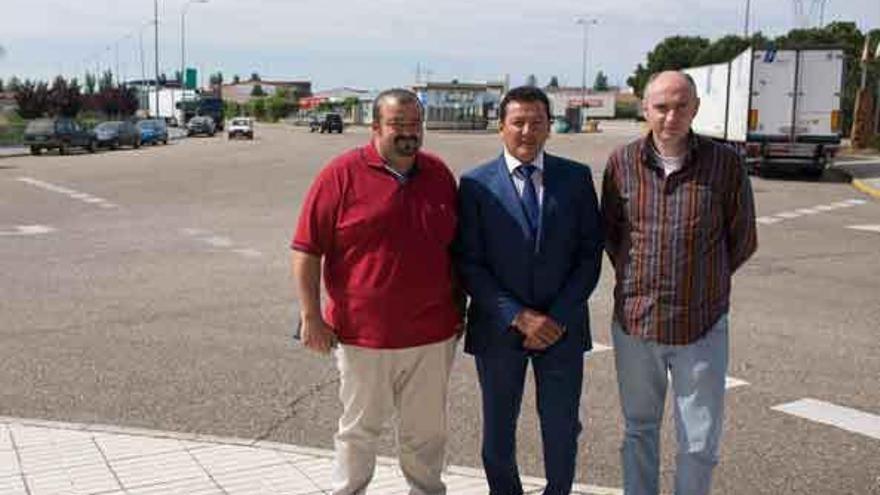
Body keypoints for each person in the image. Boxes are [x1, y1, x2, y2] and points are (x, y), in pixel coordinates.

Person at [290, 88, 461, 495]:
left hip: (432, 336)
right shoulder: (341, 175)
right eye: (397, 124)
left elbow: (457, 249)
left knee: (426, 433)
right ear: (375, 127)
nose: (408, 133)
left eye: (414, 124)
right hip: (363, 336)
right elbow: (305, 249)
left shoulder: (438, 175)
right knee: (359, 432)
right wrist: (311, 317)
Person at [601, 71, 757, 495]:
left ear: (696, 108)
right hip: (636, 325)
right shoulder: (621, 164)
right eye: (661, 107)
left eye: (681, 106)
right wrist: (642, 284)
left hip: (701, 325)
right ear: (645, 109)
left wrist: (698, 282)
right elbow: (613, 237)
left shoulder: (725, 164)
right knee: (639, 431)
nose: (671, 117)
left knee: (700, 442)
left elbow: (742, 240)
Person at [455, 86, 604, 495]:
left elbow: (590, 255)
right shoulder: (474, 185)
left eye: (537, 122)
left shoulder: (575, 178)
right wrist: (518, 316)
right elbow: (469, 261)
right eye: (518, 122)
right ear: (501, 127)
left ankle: (559, 490)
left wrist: (554, 317)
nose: (527, 131)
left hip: (562, 329)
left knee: (561, 425)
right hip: (499, 328)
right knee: (498, 427)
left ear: (549, 128)